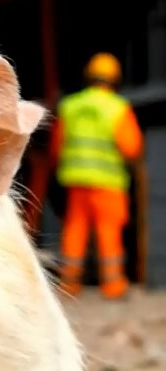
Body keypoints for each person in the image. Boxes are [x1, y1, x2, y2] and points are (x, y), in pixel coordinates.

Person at [51, 53, 144, 301]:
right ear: (114, 79)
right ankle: (112, 286)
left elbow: (56, 147)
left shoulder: (70, 106)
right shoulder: (117, 108)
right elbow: (131, 147)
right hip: (108, 182)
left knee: (75, 229)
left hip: (76, 180)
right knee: (108, 230)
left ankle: (69, 284)